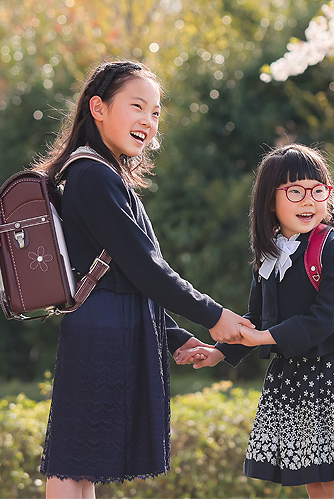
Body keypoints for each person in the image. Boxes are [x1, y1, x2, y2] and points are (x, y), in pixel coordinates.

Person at [33, 59, 253, 498]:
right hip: (102, 332)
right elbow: (145, 267)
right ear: (98, 107)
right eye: (137, 106)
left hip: (106, 324)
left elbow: (124, 275)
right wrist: (213, 315)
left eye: (155, 112)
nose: (148, 121)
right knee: (72, 462)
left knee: (80, 464)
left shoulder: (102, 173)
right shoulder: (92, 175)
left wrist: (173, 336)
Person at [179, 144, 334, 499]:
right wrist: (220, 352)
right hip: (295, 378)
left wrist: (265, 338)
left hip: (332, 374)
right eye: (295, 191)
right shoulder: (272, 252)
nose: (308, 200)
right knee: (314, 483)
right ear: (269, 201)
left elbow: (325, 316)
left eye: (317, 190)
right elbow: (257, 317)